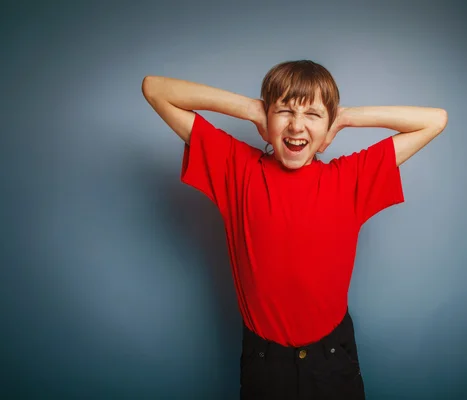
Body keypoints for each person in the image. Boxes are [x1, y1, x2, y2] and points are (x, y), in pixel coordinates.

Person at [142, 60, 448, 400]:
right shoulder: (237, 168)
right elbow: (154, 88)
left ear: (328, 128)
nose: (296, 125)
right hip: (265, 365)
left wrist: (344, 118)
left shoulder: (349, 179)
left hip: (332, 360)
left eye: (313, 115)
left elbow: (435, 120)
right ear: (265, 122)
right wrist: (251, 109)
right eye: (284, 111)